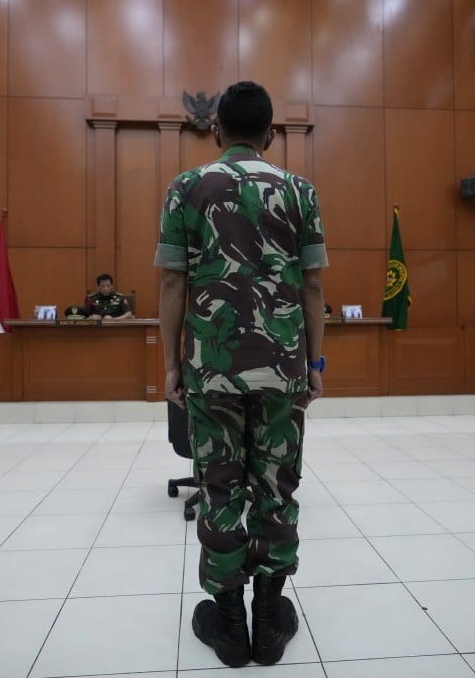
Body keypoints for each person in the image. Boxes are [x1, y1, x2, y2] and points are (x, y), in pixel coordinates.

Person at [155, 80, 327, 668]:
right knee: (276, 486)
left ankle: (229, 623)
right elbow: (312, 284)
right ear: (271, 134)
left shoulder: (186, 187)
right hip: (283, 367)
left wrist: (173, 365)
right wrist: (315, 363)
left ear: (216, 130)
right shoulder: (301, 191)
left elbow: (173, 281)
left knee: (220, 487)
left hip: (212, 368)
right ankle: (270, 618)